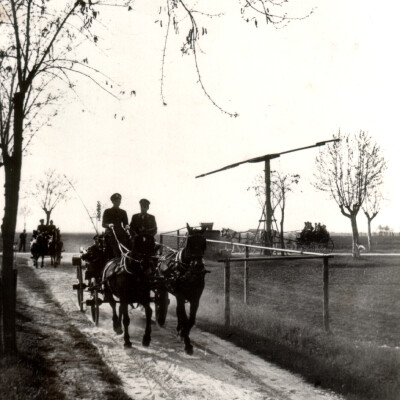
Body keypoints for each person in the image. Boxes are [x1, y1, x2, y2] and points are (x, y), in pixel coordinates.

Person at [102, 193, 129, 258]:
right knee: (115, 245)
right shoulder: (107, 211)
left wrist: (127, 227)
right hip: (111, 233)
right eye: (116, 201)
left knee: (127, 242)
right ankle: (116, 259)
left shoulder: (123, 212)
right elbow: (103, 224)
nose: (118, 202)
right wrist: (109, 225)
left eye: (119, 201)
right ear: (113, 201)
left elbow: (126, 223)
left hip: (121, 233)